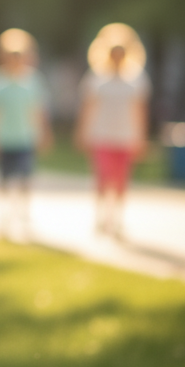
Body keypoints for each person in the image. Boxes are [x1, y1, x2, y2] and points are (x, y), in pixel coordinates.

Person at [74, 23, 150, 238]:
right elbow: (87, 108)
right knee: (103, 177)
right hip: (102, 135)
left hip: (126, 136)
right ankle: (101, 217)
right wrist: (82, 132)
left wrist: (141, 137)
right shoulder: (96, 77)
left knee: (121, 180)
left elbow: (140, 111)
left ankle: (116, 218)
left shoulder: (137, 78)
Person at [0, 28, 52, 241]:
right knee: (3, 180)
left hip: (25, 138)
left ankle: (23, 214)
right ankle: (4, 217)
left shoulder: (33, 81)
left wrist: (45, 134)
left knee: (25, 179)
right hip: (2, 139)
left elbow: (39, 111)